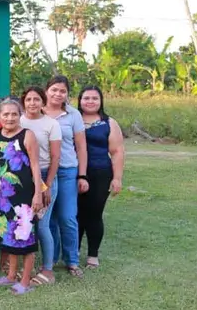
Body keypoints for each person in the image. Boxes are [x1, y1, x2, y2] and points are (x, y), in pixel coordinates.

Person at [0, 99, 44, 295]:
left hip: (24, 196)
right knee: (10, 235)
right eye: (5, 114)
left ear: (20, 115)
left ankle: (25, 281)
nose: (10, 118)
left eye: (14, 114)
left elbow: (36, 166)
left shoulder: (27, 135)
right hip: (4, 197)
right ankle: (11, 275)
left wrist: (38, 194)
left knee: (25, 236)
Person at [44, 75, 88, 278]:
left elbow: (81, 147)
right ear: (47, 91)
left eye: (62, 91)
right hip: (44, 171)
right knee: (49, 218)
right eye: (54, 89)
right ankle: (51, 258)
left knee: (68, 217)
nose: (58, 94)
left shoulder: (73, 114)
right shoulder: (37, 112)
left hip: (67, 170)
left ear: (67, 94)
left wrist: (82, 175)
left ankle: (72, 260)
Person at [77, 86, 125, 269]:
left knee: (94, 214)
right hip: (74, 173)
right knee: (75, 214)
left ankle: (92, 254)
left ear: (101, 101)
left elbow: (117, 151)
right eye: (86, 98)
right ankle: (73, 252)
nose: (90, 101)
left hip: (100, 173)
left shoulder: (109, 123)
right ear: (80, 100)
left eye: (94, 98)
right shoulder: (72, 119)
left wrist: (117, 178)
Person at [20, 86, 61, 286]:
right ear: (23, 102)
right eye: (28, 99)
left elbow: (55, 157)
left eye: (36, 99)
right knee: (24, 222)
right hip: (23, 176)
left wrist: (48, 185)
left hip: (44, 175)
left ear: (43, 102)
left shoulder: (51, 124)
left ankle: (47, 269)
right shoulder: (18, 120)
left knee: (43, 225)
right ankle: (24, 266)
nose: (32, 103)